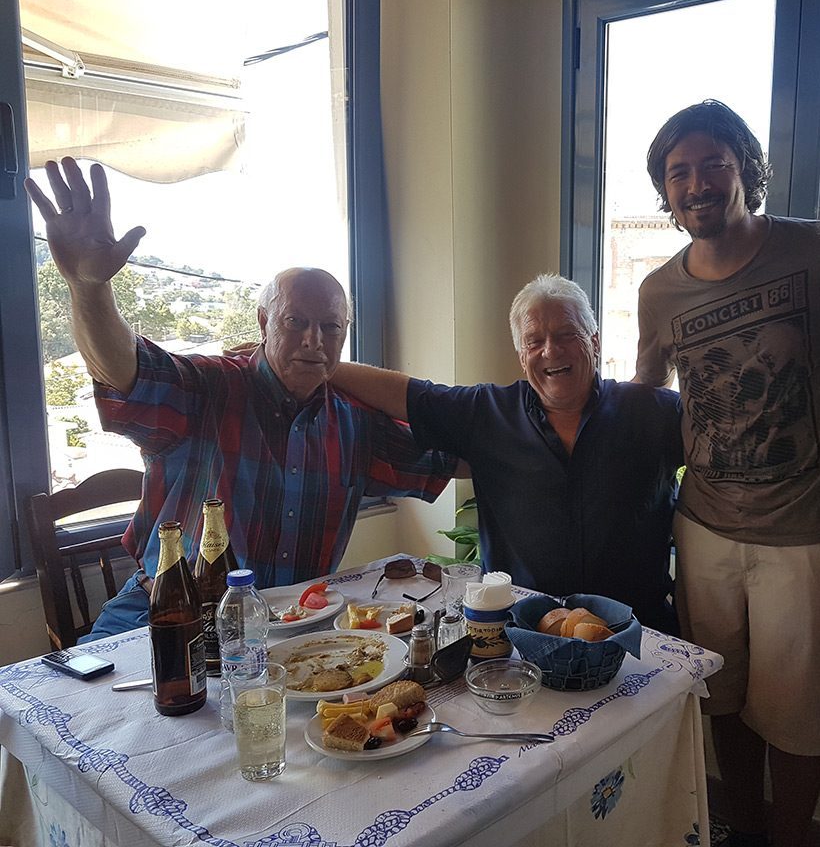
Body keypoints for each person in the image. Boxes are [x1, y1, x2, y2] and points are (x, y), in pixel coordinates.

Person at [25, 158, 456, 639]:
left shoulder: (355, 423)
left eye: (331, 327)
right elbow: (123, 368)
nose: (314, 339)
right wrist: (88, 288)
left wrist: (525, 425)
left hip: (288, 629)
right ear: (264, 322)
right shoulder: (208, 388)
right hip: (165, 614)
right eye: (296, 322)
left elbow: (452, 459)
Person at [636, 99, 820, 847]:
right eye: (678, 172)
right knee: (722, 695)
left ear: (745, 168)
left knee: (799, 715)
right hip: (704, 528)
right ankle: (741, 827)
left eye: (713, 163)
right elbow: (647, 394)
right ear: (666, 190)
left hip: (801, 534)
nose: (697, 184)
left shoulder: (809, 249)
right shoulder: (659, 292)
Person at [331, 274, 683, 633]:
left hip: (641, 635)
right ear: (521, 357)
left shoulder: (655, 413)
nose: (551, 351)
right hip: (519, 635)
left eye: (566, 334)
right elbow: (410, 395)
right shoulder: (489, 413)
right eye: (535, 341)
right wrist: (322, 364)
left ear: (594, 342)